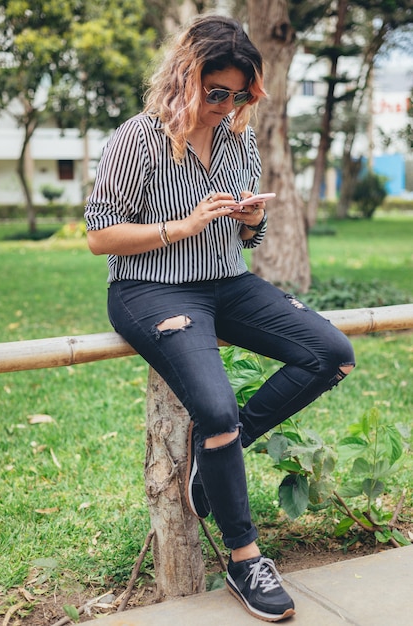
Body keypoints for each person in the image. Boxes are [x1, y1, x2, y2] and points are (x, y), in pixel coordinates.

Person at [85, 14, 355, 622]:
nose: (227, 105)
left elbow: (250, 240)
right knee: (216, 408)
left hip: (227, 281)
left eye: (240, 95)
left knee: (332, 353)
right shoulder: (138, 138)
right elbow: (101, 236)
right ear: (186, 79)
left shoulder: (239, 140)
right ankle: (244, 558)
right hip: (149, 288)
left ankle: (213, 462)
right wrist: (181, 226)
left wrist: (251, 221)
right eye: (216, 93)